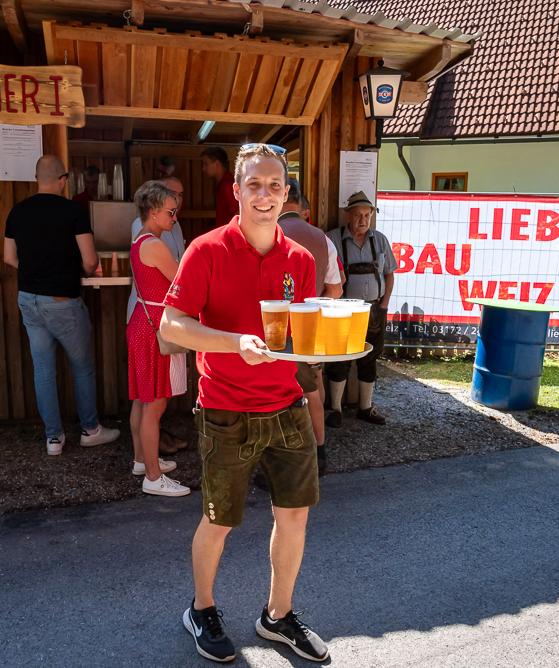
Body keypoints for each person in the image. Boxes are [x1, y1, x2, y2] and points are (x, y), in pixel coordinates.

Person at [161, 144, 329, 663]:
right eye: (254, 184)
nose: (265, 195)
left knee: (295, 518)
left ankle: (278, 616)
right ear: (236, 191)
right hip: (226, 409)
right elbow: (171, 326)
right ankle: (201, 609)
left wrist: (323, 346)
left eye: (275, 185)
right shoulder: (206, 250)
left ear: (286, 193)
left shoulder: (300, 259)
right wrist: (236, 343)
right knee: (219, 520)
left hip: (287, 406)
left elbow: (300, 331)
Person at [3, 155, 121, 455]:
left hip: (28, 299)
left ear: (36, 179)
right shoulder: (73, 211)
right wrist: (74, 271)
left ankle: (53, 438)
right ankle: (90, 430)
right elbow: (90, 260)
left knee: (43, 371)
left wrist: (36, 273)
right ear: (63, 180)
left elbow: (8, 257)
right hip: (62, 302)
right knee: (81, 368)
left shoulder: (17, 211)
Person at [127, 181, 190, 497]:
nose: (174, 217)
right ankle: (153, 477)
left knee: (143, 399)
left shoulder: (140, 239)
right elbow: (182, 282)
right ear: (153, 211)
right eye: (170, 211)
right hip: (155, 328)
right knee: (155, 405)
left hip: (142, 322)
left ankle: (142, 460)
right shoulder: (154, 244)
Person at [277, 177, 342, 477]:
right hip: (314, 327)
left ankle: (295, 460)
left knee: (282, 394)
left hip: (277, 330)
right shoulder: (322, 238)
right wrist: (314, 308)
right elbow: (336, 289)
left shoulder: (269, 233)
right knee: (314, 387)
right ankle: (319, 451)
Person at [325, 191, 397, 428]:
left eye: (367, 215)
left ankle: (365, 408)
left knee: (370, 358)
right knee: (340, 359)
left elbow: (389, 274)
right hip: (342, 312)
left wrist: (384, 305)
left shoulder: (380, 240)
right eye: (358, 215)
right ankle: (335, 409)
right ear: (348, 215)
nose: (363, 220)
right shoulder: (333, 239)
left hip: (374, 310)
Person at [200, 146, 239, 229]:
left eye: (206, 164)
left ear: (217, 163)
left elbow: (238, 213)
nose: (203, 168)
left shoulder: (228, 185)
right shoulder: (224, 183)